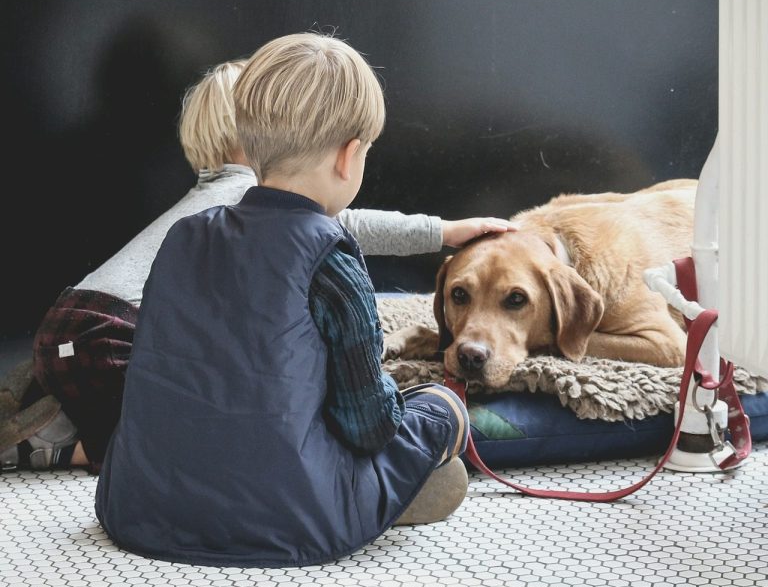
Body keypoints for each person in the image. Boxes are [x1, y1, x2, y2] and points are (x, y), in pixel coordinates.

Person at [0, 50, 513, 475]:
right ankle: (57, 446)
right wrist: (442, 231)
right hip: (107, 331)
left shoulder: (208, 204)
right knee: (171, 438)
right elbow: (344, 224)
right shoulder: (247, 198)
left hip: (75, 324)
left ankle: (49, 410)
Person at [94, 32, 473, 567]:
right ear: (349, 156)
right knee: (438, 407)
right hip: (288, 515)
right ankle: (385, 489)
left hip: (141, 504)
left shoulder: (184, 236)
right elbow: (369, 425)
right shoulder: (330, 256)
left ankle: (366, 490)